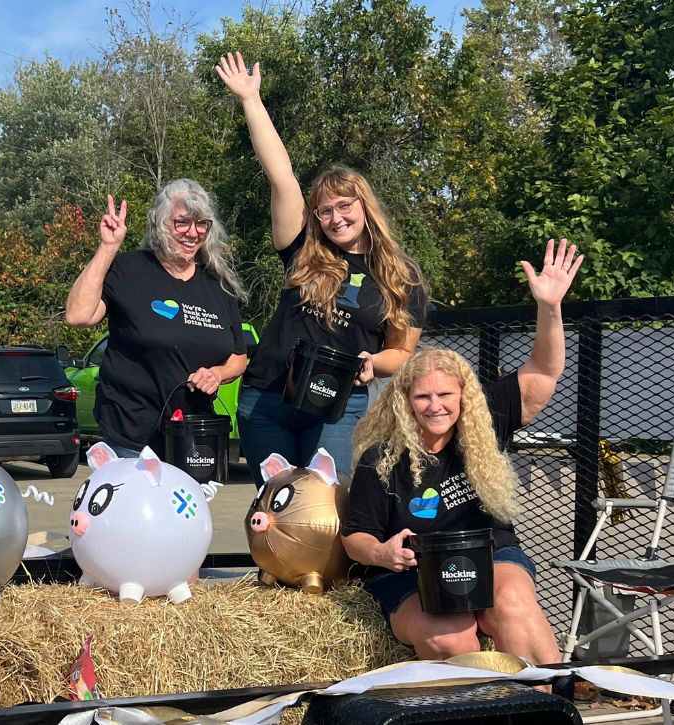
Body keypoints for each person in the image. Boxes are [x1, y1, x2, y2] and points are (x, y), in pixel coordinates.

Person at [340, 239, 583, 665]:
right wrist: (382, 553)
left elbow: (545, 370)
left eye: (445, 394)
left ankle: (548, 698)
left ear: (463, 395)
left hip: (490, 551)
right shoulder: (380, 458)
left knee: (510, 603)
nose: (436, 406)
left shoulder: (486, 419)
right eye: (423, 397)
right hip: (408, 572)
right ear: (404, 400)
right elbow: (354, 538)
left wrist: (550, 306)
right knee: (448, 632)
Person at [215, 52, 429, 482]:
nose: (335, 218)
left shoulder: (402, 275)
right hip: (266, 400)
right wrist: (250, 101)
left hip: (336, 405)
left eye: (344, 206)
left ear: (364, 207)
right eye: (324, 210)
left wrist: (375, 362)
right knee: (274, 514)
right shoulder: (301, 250)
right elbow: (281, 176)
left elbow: (402, 351)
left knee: (327, 510)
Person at [66, 180, 249, 458]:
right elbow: (78, 315)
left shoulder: (218, 284)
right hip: (130, 436)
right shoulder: (129, 269)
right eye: (182, 222)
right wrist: (108, 247)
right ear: (160, 223)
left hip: (192, 437)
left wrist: (217, 374)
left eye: (202, 224)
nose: (193, 232)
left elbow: (238, 356)